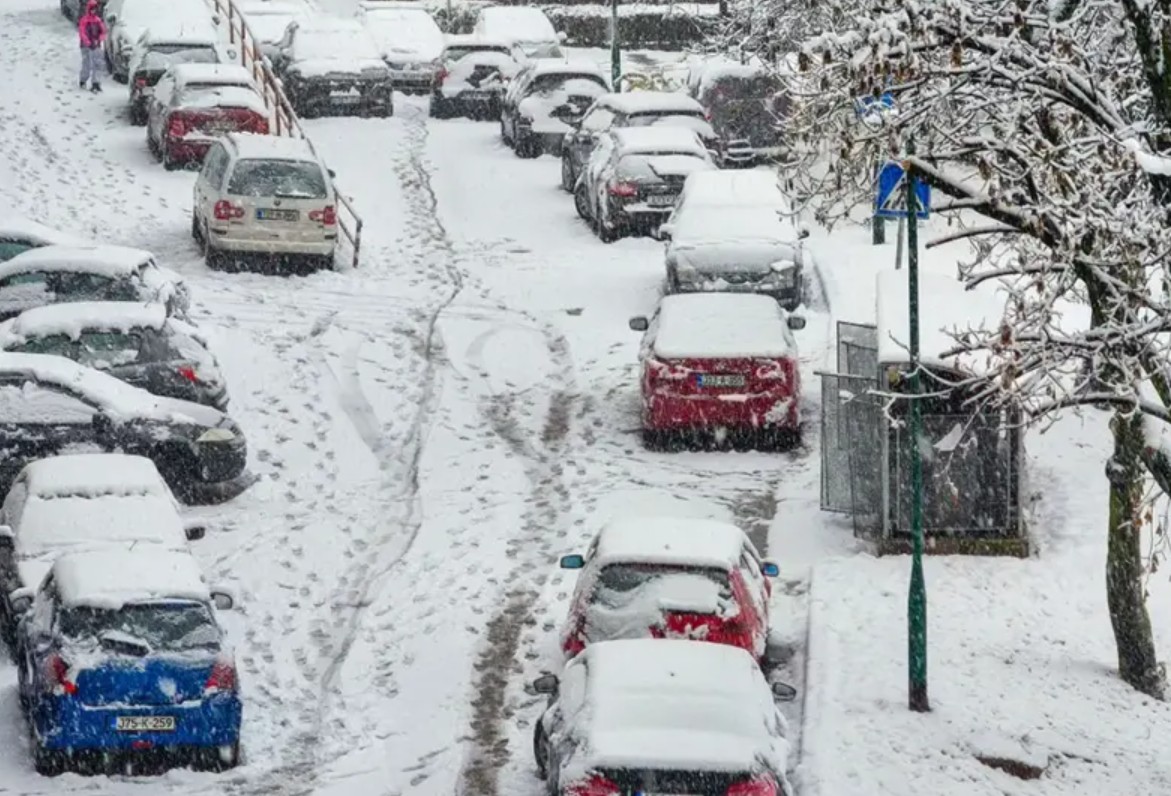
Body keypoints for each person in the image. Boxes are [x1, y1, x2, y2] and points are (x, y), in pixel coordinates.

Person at [77, 0, 106, 93]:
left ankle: (96, 82)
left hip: (96, 45)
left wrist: (99, 39)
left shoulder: (98, 20)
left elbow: (103, 31)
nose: (93, 11)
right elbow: (82, 33)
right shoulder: (84, 20)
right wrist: (88, 42)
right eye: (92, 9)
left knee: (97, 64)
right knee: (87, 63)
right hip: (86, 46)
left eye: (95, 9)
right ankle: (83, 80)